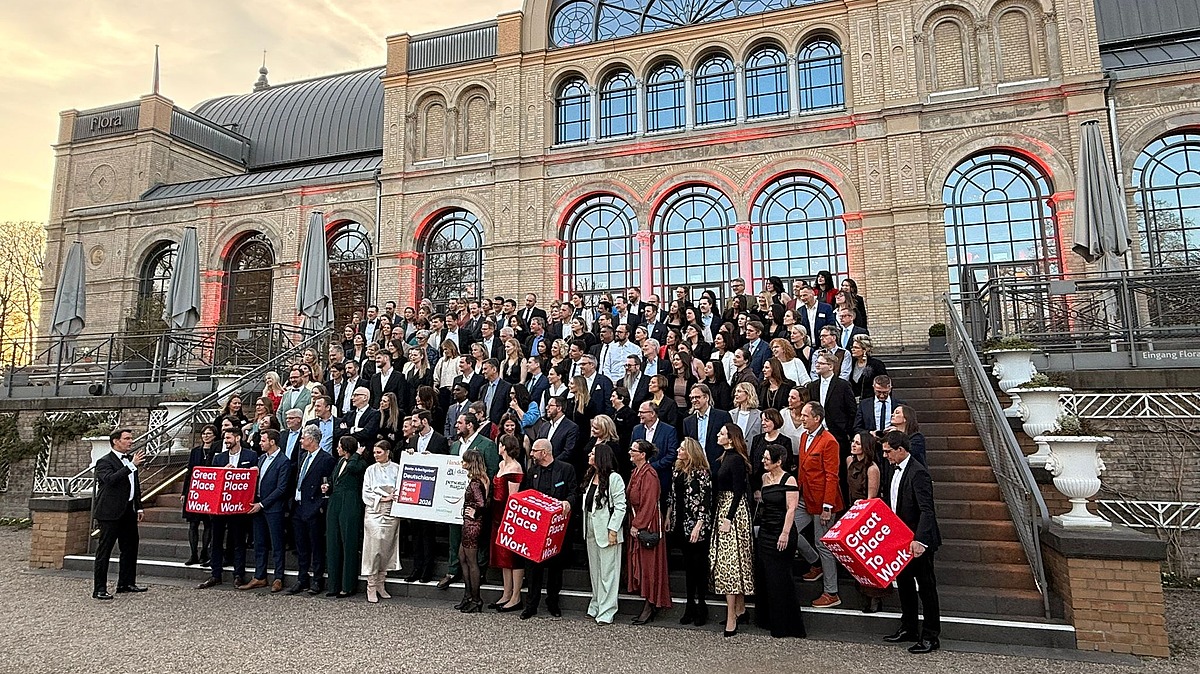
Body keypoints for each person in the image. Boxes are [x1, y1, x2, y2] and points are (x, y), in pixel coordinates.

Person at [881, 431, 943, 654]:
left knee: (926, 587)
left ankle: (930, 635)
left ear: (901, 449)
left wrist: (920, 540)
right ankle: (908, 627)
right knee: (905, 584)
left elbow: (927, 510)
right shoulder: (892, 469)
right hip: (900, 538)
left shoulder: (919, 473)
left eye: (888, 451)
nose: (885, 456)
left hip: (919, 541)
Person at [518, 439, 578, 620]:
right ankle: (531, 605)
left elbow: (574, 492)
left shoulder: (566, 469)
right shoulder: (532, 471)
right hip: (536, 530)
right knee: (532, 569)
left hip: (556, 530)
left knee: (555, 568)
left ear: (544, 452)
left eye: (534, 451)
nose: (531, 454)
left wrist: (568, 502)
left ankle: (553, 602)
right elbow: (524, 494)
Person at [753, 442, 806, 638]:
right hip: (766, 531)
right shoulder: (765, 478)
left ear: (778, 461)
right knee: (766, 576)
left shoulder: (789, 479)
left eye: (767, 458)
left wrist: (785, 533)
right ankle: (767, 619)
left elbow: (791, 509)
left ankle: (786, 624)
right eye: (764, 458)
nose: (764, 461)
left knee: (780, 578)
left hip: (782, 531)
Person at [795, 401, 844, 608]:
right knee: (787, 530)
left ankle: (831, 592)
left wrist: (827, 507)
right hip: (804, 497)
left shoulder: (829, 441)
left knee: (823, 543)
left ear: (817, 418)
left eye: (806, 415)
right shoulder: (805, 436)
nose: (802, 418)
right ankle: (815, 562)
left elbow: (832, 476)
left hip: (823, 500)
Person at [197, 429, 257, 589]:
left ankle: (238, 574)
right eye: (225, 438)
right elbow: (212, 478)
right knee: (216, 541)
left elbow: (252, 480)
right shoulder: (219, 458)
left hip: (238, 506)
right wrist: (224, 471)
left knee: (238, 541)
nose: (226, 440)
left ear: (237, 438)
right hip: (220, 508)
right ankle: (215, 574)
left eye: (229, 437)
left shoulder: (250, 456)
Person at [710, 423, 754, 636]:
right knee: (732, 560)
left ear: (730, 438)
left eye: (722, 433)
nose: (718, 435)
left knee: (730, 563)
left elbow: (739, 492)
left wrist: (728, 518)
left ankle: (731, 617)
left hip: (733, 512)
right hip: (723, 508)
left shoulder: (736, 459)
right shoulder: (724, 457)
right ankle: (740, 608)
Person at [92, 429, 146, 600]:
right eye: (127, 439)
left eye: (131, 438)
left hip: (128, 511)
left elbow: (135, 485)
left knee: (130, 548)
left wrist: (139, 507)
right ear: (116, 441)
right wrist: (131, 466)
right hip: (110, 512)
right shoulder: (104, 461)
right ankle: (99, 588)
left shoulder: (131, 461)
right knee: (105, 550)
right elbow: (110, 480)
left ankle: (126, 583)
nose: (131, 442)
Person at [237, 428, 291, 592]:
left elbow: (281, 488)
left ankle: (278, 577)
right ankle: (259, 576)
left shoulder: (283, 461)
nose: (260, 443)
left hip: (273, 507)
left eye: (263, 440)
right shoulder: (261, 459)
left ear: (272, 442)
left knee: (276, 543)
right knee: (259, 543)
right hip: (258, 505)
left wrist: (263, 504)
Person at [666, 437, 712, 627]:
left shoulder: (702, 474)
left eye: (682, 448)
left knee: (698, 566)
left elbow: (705, 501)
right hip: (679, 522)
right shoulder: (677, 471)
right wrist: (668, 515)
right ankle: (690, 604)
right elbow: (672, 495)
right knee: (688, 566)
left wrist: (699, 525)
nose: (678, 450)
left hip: (696, 525)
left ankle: (702, 604)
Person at [626, 439, 672, 625]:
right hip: (638, 520)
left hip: (648, 523)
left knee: (649, 565)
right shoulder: (636, 472)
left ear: (642, 454)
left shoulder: (650, 474)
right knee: (643, 564)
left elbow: (649, 502)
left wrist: (638, 525)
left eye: (633, 450)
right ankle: (647, 602)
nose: (630, 452)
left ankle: (651, 603)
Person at [287, 426, 336, 595]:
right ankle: (302, 578)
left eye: (303, 438)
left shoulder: (326, 459)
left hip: (313, 507)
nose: (300, 441)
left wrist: (320, 506)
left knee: (316, 545)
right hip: (298, 506)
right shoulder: (302, 456)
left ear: (312, 439)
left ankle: (317, 579)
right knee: (301, 546)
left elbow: (328, 484)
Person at [582, 442, 626, 625]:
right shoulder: (592, 475)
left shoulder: (614, 478)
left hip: (607, 529)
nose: (589, 456)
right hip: (591, 526)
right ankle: (596, 604)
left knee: (608, 572)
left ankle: (607, 610)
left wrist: (613, 530)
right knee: (595, 571)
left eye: (592, 453)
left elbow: (620, 506)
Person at [847, 431, 888, 613]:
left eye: (857, 443)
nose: (853, 445)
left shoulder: (872, 468)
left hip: (866, 514)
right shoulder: (849, 461)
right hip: (851, 509)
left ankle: (875, 597)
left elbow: (872, 498)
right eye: (853, 442)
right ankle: (862, 591)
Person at [323, 435, 367, 598]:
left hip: (350, 502)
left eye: (340, 446)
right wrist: (328, 486)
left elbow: (353, 469)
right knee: (333, 542)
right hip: (335, 501)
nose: (337, 448)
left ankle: (348, 585)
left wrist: (356, 455)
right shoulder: (339, 461)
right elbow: (336, 480)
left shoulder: (358, 462)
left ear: (347, 447)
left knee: (348, 542)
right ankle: (334, 585)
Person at [361, 440, 402, 604]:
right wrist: (383, 498)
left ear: (387, 452)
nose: (376, 455)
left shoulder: (397, 468)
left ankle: (380, 583)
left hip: (392, 512)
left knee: (387, 548)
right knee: (374, 547)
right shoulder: (370, 470)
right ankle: (370, 585)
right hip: (374, 512)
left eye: (379, 452)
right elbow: (366, 492)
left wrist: (396, 497)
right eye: (374, 452)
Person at [490, 435, 526, 612]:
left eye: (500, 444)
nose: (499, 447)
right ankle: (506, 593)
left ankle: (516, 596)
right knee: (502, 557)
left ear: (505, 447)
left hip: (508, 515)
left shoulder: (515, 467)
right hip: (496, 514)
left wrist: (508, 519)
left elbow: (513, 497)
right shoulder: (501, 465)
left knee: (513, 557)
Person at [456, 449, 491, 613]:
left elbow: (481, 503)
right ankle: (468, 595)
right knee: (462, 557)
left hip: (472, 525)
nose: (463, 464)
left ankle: (476, 599)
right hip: (471, 523)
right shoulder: (481, 479)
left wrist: (474, 512)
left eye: (465, 461)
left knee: (471, 562)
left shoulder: (476, 482)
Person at [182, 424, 219, 566]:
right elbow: (189, 472)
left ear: (214, 436)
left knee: (208, 524)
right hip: (195, 490)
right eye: (204, 433)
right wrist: (185, 492)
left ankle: (204, 552)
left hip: (209, 491)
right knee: (193, 524)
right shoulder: (195, 451)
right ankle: (193, 554)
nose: (206, 436)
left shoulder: (216, 451)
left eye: (209, 433)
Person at [683, 383, 733, 464]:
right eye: (692, 398)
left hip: (718, 463)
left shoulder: (722, 416)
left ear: (706, 397)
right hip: (697, 465)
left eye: (697, 397)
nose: (694, 400)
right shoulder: (687, 422)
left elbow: (731, 440)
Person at [749, 408, 792, 500]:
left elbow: (786, 466)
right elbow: (752, 464)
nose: (763, 423)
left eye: (766, 420)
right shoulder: (757, 439)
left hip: (777, 488)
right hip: (757, 487)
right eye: (762, 420)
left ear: (775, 421)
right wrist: (756, 489)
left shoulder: (785, 441)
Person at [729, 382, 763, 447]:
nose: (735, 394)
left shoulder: (759, 415)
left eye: (739, 391)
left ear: (748, 394)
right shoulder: (731, 414)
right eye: (735, 391)